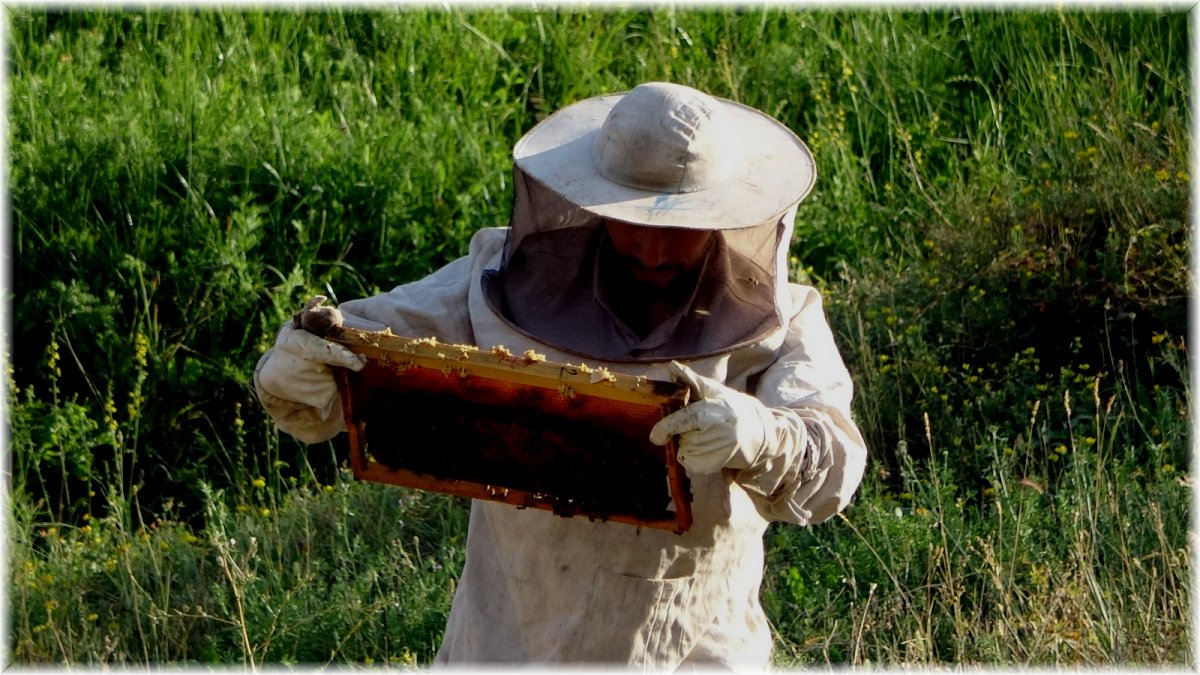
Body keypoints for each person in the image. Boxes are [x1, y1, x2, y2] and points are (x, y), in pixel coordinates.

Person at [254, 81, 868, 669]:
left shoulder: (783, 320)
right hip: (504, 636)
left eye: (678, 229)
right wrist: (297, 368)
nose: (654, 254)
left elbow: (834, 463)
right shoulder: (499, 279)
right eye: (635, 222)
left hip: (687, 644)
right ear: (597, 200)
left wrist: (759, 435)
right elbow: (354, 353)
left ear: (722, 214)